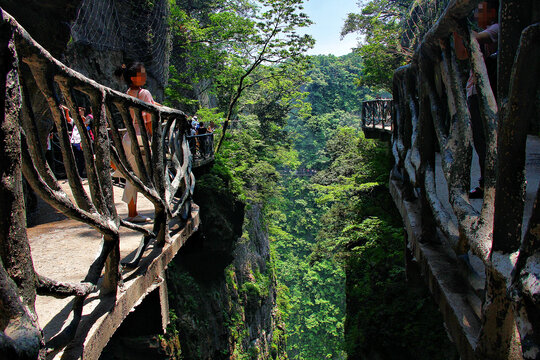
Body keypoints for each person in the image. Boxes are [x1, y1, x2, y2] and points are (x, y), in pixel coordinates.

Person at [115, 62, 158, 223]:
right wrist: (155, 138)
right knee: (135, 176)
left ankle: (132, 211)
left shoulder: (129, 93)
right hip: (139, 138)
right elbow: (148, 119)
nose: (145, 77)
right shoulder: (144, 93)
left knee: (132, 174)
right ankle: (132, 214)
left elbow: (151, 105)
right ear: (134, 78)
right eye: (142, 75)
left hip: (128, 136)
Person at [467, 0, 499, 199]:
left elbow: (473, 41)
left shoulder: (496, 29)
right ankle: (487, 182)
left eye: (481, 11)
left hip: (483, 94)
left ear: (493, 11)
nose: (477, 15)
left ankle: (490, 184)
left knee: (484, 139)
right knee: (481, 140)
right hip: (477, 92)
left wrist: (458, 27)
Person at [59, 105, 93, 178]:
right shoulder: (75, 121)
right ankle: (75, 175)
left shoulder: (86, 121)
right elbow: (68, 119)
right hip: (73, 142)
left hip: (80, 142)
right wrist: (67, 111)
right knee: (74, 159)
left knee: (81, 159)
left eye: (80, 111)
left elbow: (88, 126)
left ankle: (81, 174)